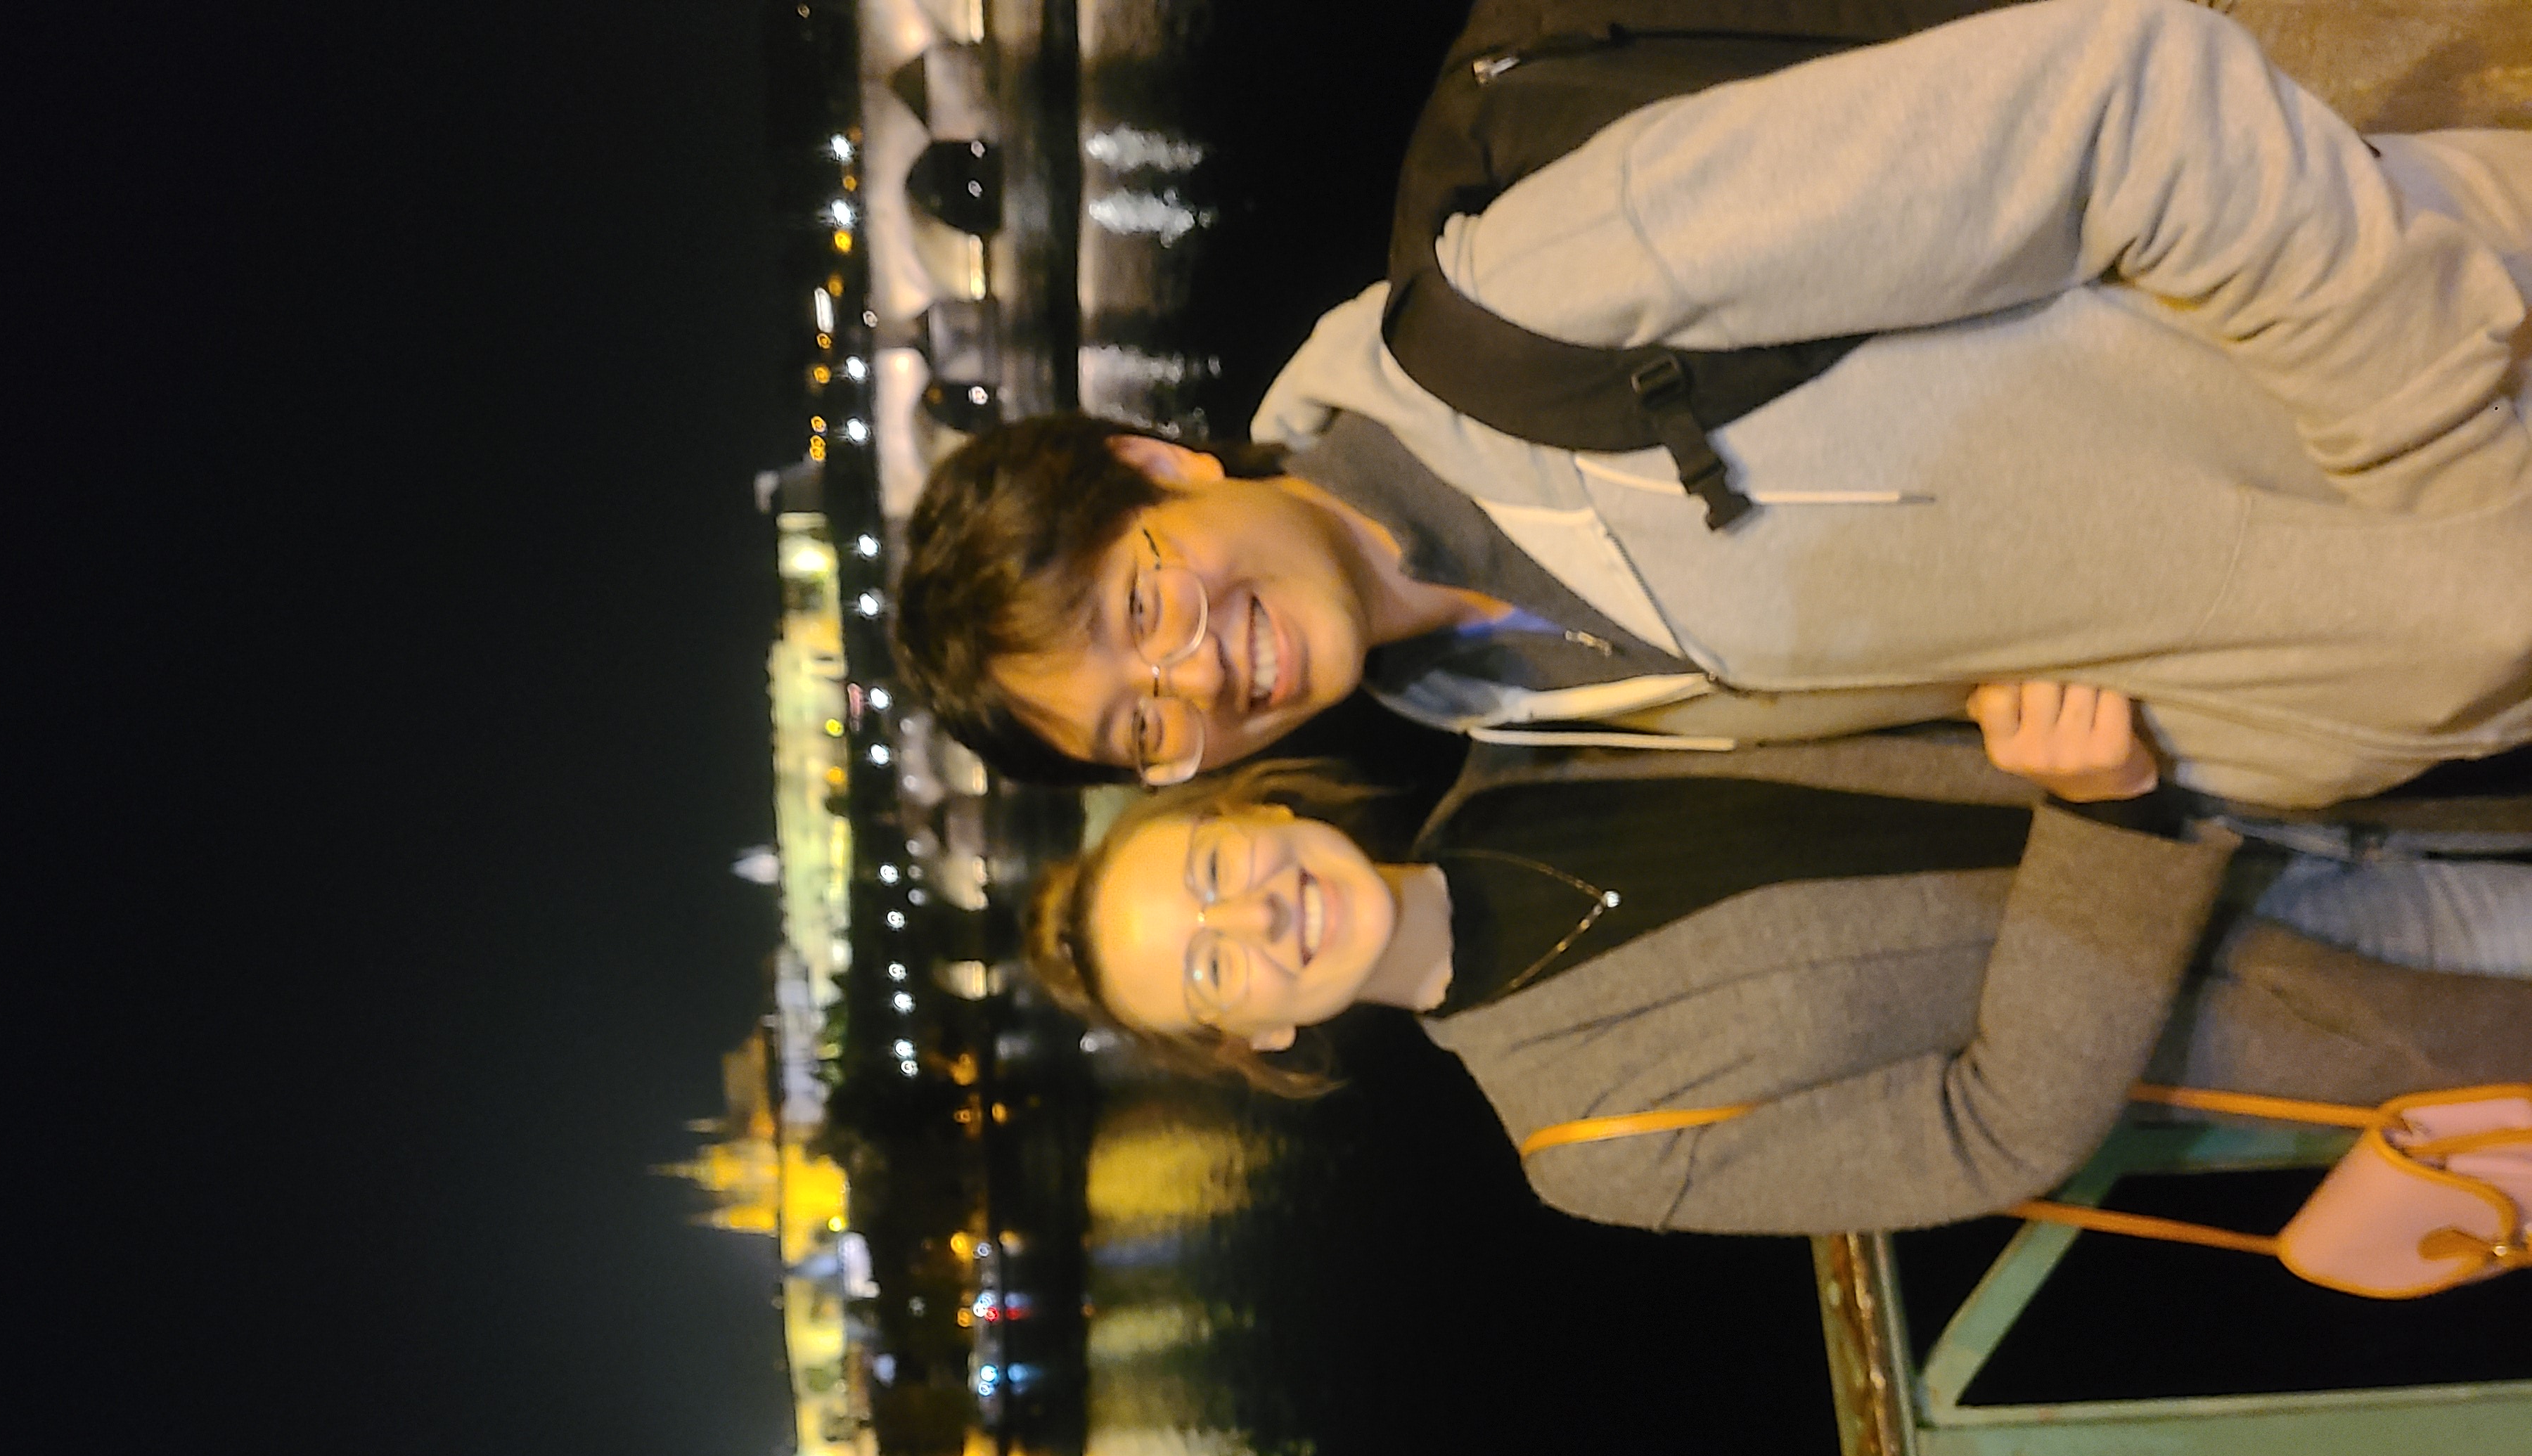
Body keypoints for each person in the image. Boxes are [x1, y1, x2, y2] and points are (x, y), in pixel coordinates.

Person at [892, 0, 2532, 811]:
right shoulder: (1486, 716)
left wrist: (2439, 439)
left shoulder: (1540, 297)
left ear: (1155, 462)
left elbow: (2127, 107)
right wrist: (2249, 757)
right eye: (1142, 727)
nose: (1194, 673)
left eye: (1143, 602)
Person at [1023, 735, 2532, 1235]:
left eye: (1213, 873)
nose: (1263, 916)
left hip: (2276, 754)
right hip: (2304, 968)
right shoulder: (1589, 1144)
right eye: (1214, 968)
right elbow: (1990, 1136)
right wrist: (2110, 817)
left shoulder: (1541, 747)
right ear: (1263, 1032)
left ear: (1257, 812)